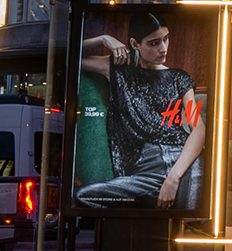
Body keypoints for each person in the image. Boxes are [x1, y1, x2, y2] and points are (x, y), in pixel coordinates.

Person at [76, 13, 206, 210]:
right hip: (147, 170)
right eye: (154, 43)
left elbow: (198, 129)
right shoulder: (118, 69)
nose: (163, 48)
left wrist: (173, 178)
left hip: (185, 162)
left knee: (191, 217)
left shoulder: (179, 78)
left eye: (166, 39)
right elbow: (66, 55)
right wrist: (104, 39)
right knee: (82, 196)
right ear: (135, 44)